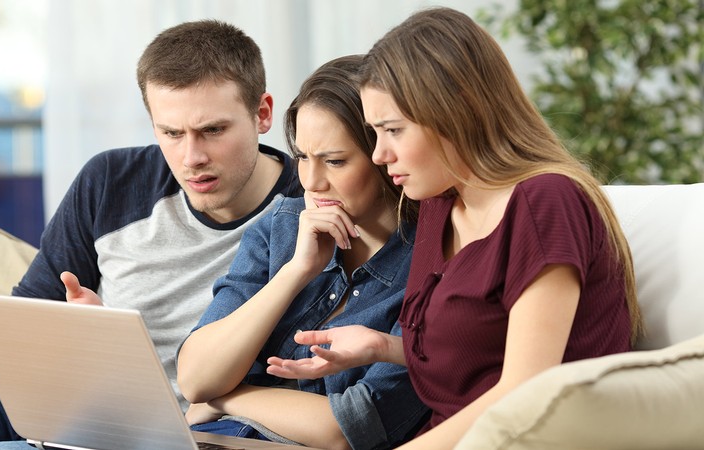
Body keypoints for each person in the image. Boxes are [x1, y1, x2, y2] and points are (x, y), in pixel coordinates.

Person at [0, 19, 301, 450]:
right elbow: (23, 329)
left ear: (262, 114)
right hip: (57, 397)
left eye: (213, 131)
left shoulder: (308, 208)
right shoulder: (110, 180)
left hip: (177, 434)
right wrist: (79, 334)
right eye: (171, 132)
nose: (191, 157)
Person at [266, 7, 643, 450]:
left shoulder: (547, 203)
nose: (379, 154)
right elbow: (480, 357)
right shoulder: (438, 206)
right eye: (374, 133)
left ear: (453, 113)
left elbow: (523, 396)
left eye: (392, 130)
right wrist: (382, 347)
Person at [175, 55, 428, 450]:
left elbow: (349, 428)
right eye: (303, 157)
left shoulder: (428, 261)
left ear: (384, 155)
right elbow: (194, 378)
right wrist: (297, 270)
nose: (311, 181)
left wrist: (228, 396)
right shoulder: (284, 225)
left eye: (335, 161)